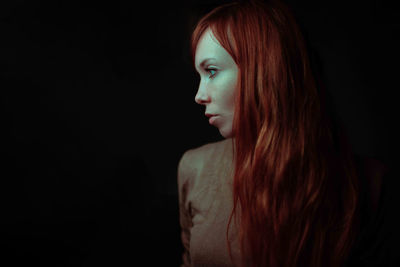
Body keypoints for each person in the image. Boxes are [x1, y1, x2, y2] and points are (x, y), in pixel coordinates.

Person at [177, 0, 390, 266]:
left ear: (264, 70)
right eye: (200, 74)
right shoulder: (193, 169)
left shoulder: (368, 183)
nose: (199, 96)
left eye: (211, 71)